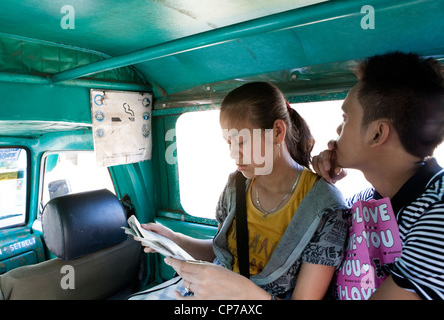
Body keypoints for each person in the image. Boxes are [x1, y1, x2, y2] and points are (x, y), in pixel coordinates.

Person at [137, 82, 348, 300]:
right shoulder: (235, 186)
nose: (232, 154)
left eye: (241, 141)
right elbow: (222, 252)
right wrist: (174, 239)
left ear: (277, 131)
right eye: (228, 142)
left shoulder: (325, 208)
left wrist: (236, 291)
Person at [312, 51, 444, 300]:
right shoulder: (364, 202)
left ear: (377, 134)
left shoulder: (437, 215)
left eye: (346, 117)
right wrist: (325, 187)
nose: (338, 129)